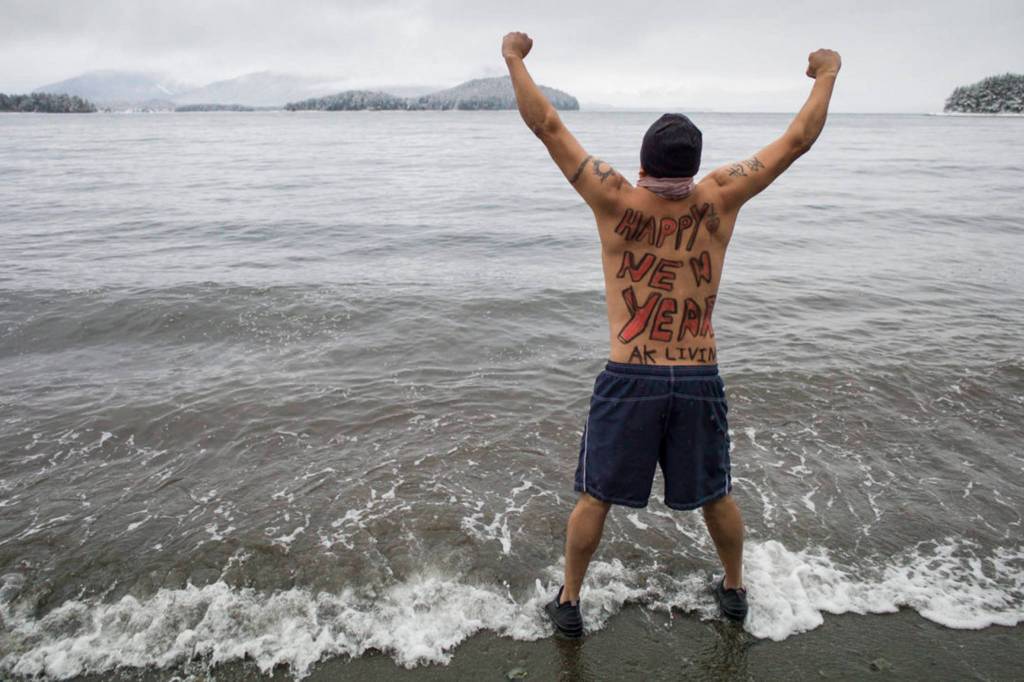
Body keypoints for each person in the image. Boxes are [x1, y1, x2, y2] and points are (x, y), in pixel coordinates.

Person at [501, 30, 841, 638]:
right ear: (695, 166)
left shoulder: (613, 199)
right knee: (716, 495)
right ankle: (734, 590)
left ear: (641, 164)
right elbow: (795, 142)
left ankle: (571, 602)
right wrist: (826, 75)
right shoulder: (721, 198)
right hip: (697, 374)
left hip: (632, 374)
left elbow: (549, 128)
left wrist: (513, 59)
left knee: (593, 497)